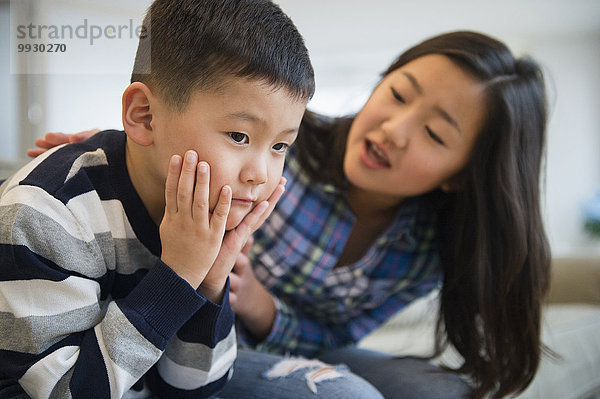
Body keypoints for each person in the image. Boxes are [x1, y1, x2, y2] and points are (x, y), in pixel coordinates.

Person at [27, 30, 551, 399]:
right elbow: (192, 134)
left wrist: (260, 306)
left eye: (435, 134)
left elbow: (336, 338)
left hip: (251, 334)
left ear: (461, 174)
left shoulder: (427, 252)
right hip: (191, 328)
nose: (394, 128)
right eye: (396, 94)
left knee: (442, 390)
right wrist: (122, 152)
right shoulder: (278, 141)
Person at [0, 0, 318, 397]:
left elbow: (194, 391)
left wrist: (211, 282)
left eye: (280, 146)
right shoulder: (49, 213)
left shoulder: (213, 219)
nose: (261, 174)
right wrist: (178, 275)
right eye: (239, 136)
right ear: (145, 116)